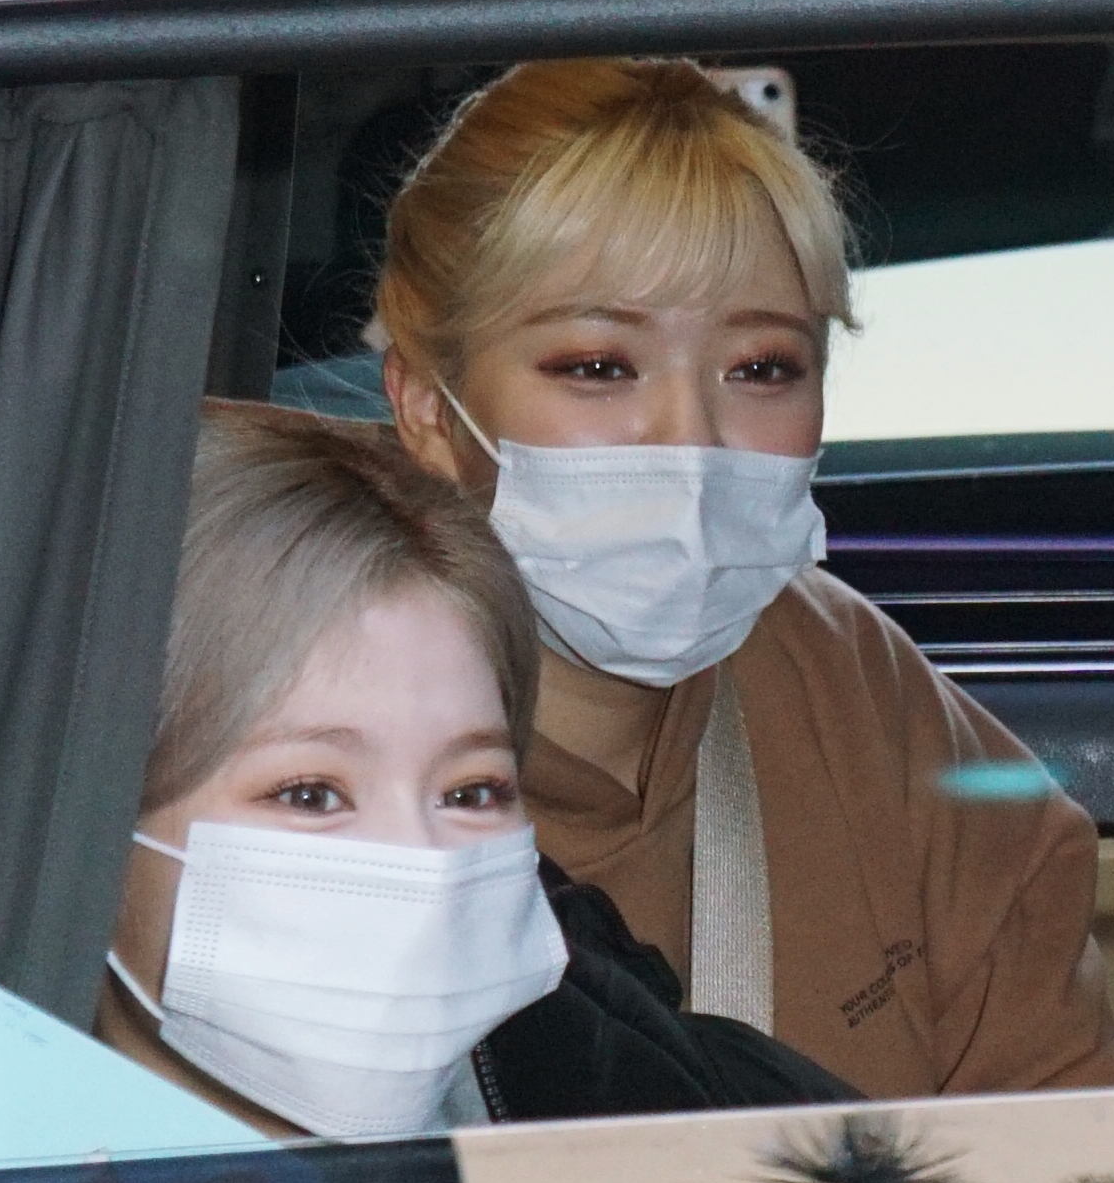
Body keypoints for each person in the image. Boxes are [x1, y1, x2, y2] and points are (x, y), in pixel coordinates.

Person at [367, 57, 1114, 1099]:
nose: (694, 440)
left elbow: (1058, 1119)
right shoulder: (320, 748)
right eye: (597, 365)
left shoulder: (843, 677)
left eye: (762, 366)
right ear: (427, 408)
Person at [98, 399, 854, 1139]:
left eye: (471, 791)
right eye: (310, 794)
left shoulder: (695, 1124)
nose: (424, 867)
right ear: (88, 819)